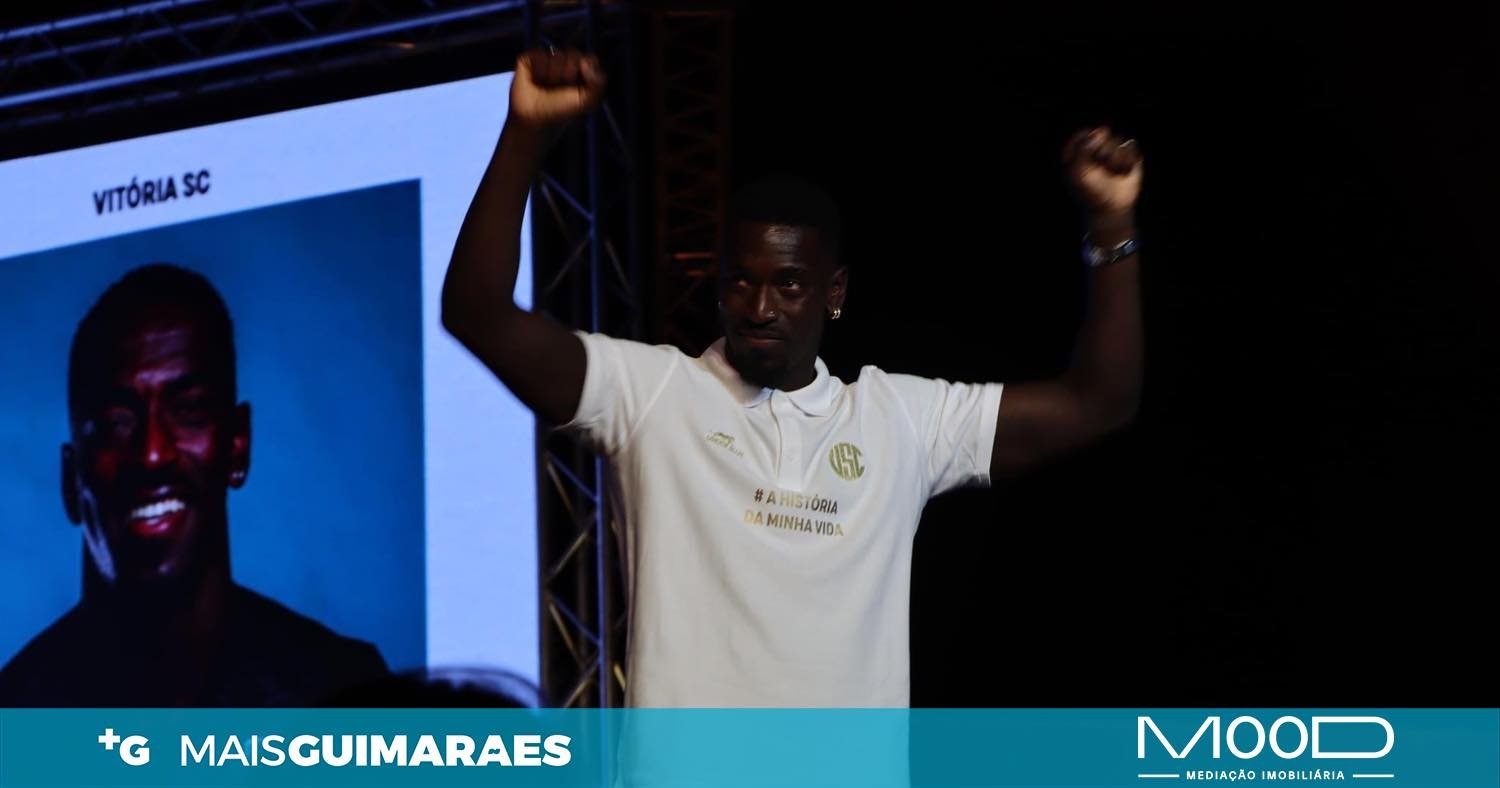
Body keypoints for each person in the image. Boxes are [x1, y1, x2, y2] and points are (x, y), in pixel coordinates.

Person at [442, 50, 1144, 706]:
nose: (759, 307)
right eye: (739, 281)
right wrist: (525, 134)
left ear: (833, 292)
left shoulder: (901, 420)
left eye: (788, 285)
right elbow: (478, 315)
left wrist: (1112, 223)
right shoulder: (651, 395)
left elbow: (1100, 401)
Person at [0, 264, 389, 706]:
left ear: (238, 445)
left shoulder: (348, 687)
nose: (151, 453)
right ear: (71, 481)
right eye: (115, 423)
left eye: (188, 409)